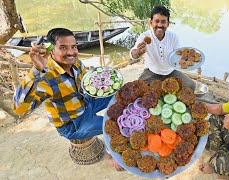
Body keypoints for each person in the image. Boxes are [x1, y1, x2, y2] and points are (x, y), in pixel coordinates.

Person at [12, 28, 123, 170]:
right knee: (114, 127)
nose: (71, 52)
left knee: (120, 94)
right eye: (63, 48)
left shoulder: (76, 63)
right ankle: (111, 155)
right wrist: (35, 71)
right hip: (72, 124)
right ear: (52, 50)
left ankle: (112, 117)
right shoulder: (45, 77)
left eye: (74, 46)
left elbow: (88, 81)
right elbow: (19, 109)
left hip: (86, 104)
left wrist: (104, 82)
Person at [130, 5, 195, 90]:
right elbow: (133, 54)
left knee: (191, 86)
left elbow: (179, 55)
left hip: (170, 72)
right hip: (151, 72)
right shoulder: (144, 37)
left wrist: (187, 60)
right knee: (138, 88)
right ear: (151, 23)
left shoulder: (173, 37)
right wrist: (137, 52)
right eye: (156, 21)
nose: (160, 25)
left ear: (168, 24)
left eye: (163, 22)